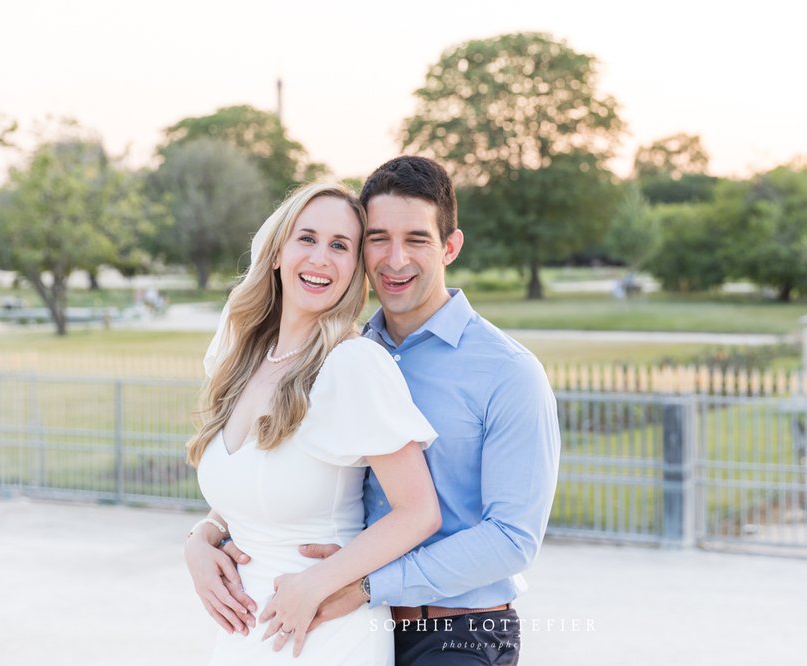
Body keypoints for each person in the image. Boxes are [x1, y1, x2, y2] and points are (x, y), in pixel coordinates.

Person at [186, 156, 561, 665]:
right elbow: (288, 473)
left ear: (450, 247)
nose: (394, 259)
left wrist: (364, 586)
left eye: (417, 240)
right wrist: (205, 535)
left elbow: (512, 540)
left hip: (454, 633)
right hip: (340, 612)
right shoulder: (341, 355)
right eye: (378, 239)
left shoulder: (507, 371)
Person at [185, 182, 441, 664]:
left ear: (354, 271)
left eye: (340, 246)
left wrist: (316, 585)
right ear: (277, 252)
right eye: (307, 238)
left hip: (324, 634)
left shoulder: (353, 365)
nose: (321, 257)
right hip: (242, 639)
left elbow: (419, 512)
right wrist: (198, 541)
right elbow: (248, 494)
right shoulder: (240, 358)